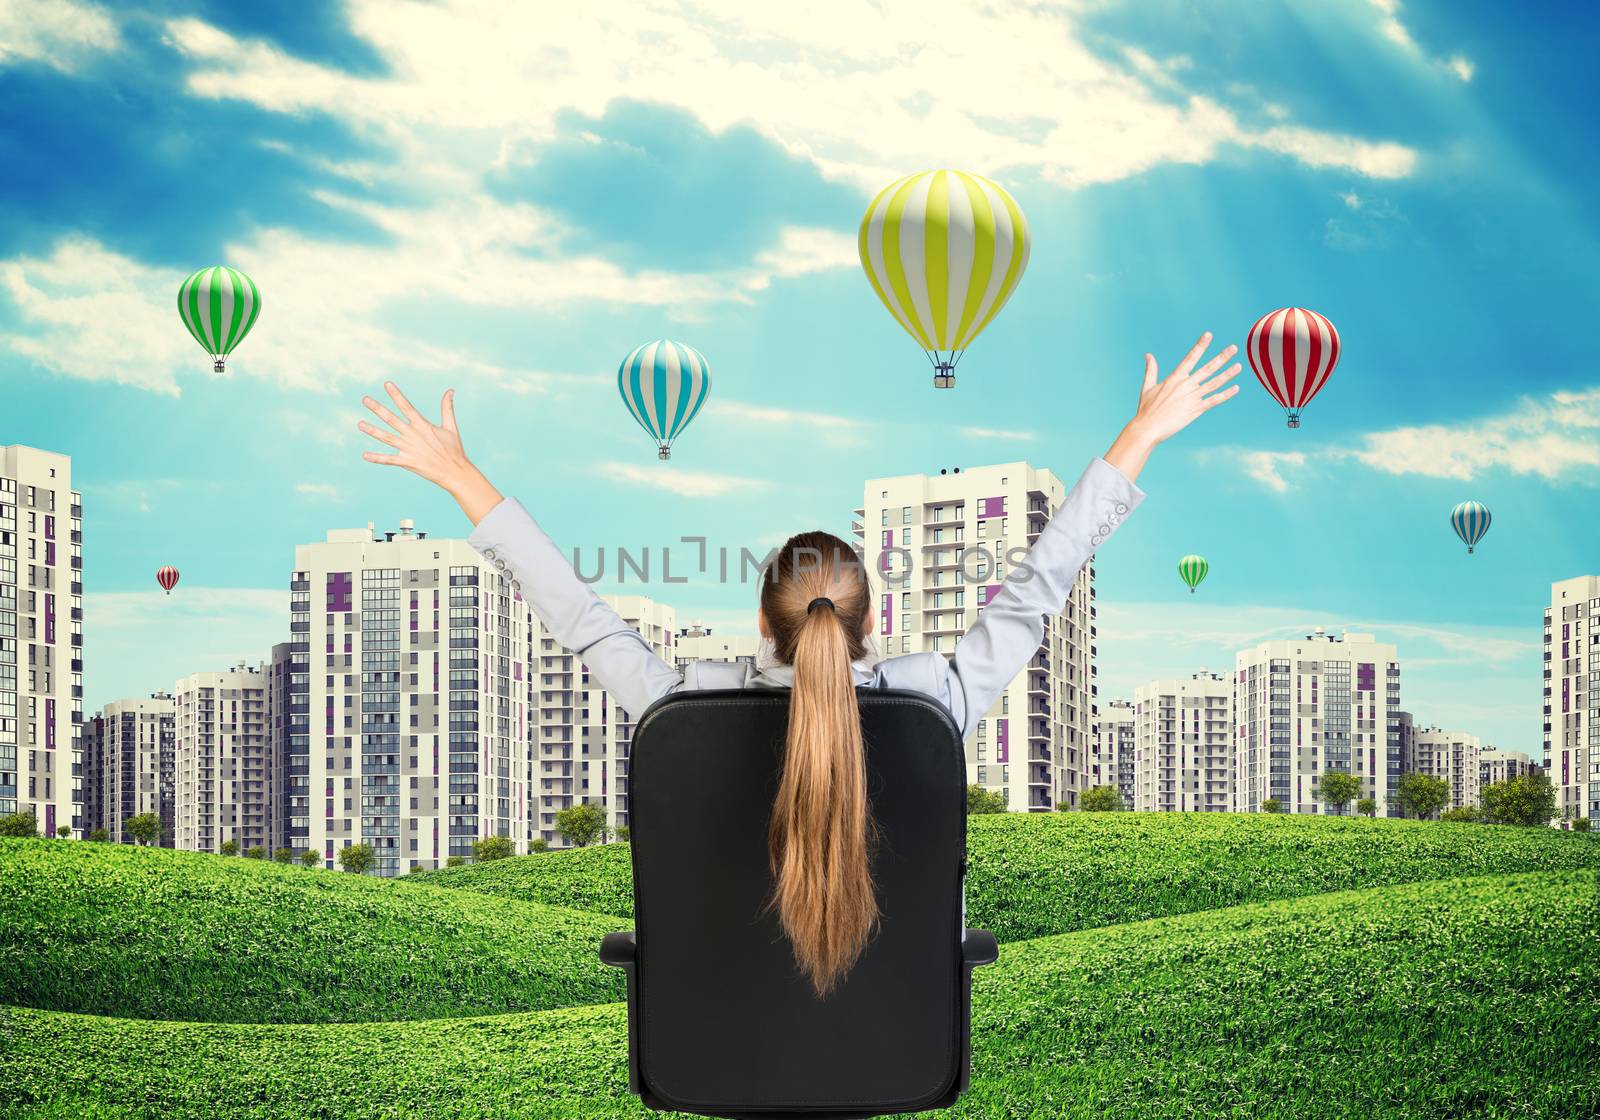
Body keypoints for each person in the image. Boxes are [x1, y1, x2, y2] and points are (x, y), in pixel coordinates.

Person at [358, 332, 1240, 995]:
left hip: (712, 1053)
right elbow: (1041, 585)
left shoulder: (682, 712)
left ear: (761, 623)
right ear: (873, 621)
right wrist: (1140, 434)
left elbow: (582, 621)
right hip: (902, 1050)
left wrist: (461, 477)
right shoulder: (936, 703)